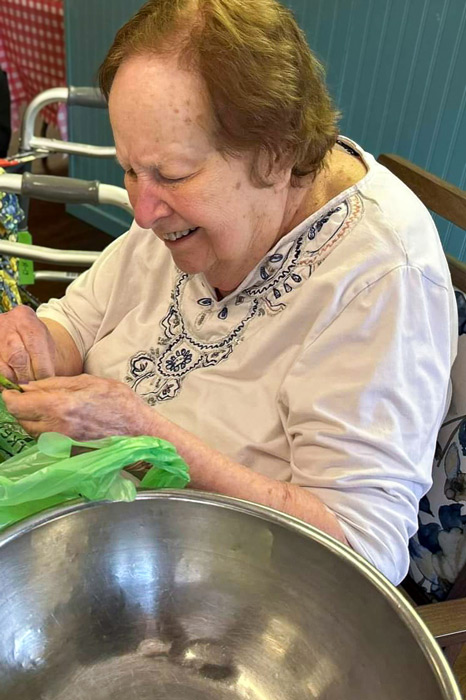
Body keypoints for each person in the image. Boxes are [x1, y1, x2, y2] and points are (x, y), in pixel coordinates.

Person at [0, 0, 457, 585]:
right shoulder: (192, 206)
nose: (140, 212)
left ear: (278, 153)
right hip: (108, 532)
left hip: (233, 589)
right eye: (130, 170)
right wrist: (37, 342)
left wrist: (147, 438)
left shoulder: (381, 281)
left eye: (172, 175)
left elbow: (360, 552)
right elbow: (80, 320)